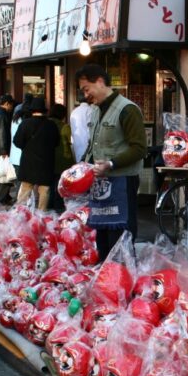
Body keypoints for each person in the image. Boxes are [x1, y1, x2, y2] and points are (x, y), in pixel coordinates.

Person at [75, 64, 147, 259]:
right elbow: (92, 145)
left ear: (100, 82)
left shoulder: (127, 109)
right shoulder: (95, 111)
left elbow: (140, 148)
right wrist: (79, 169)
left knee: (120, 238)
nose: (86, 95)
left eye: (87, 89)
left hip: (122, 182)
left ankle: (123, 275)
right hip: (100, 184)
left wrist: (111, 164)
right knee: (103, 238)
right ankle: (105, 275)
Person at [14, 97, 57, 212]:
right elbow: (56, 143)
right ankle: (41, 214)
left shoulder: (25, 123)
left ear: (32, 110)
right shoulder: (51, 125)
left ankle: (20, 213)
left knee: (25, 189)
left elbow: (17, 141)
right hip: (46, 162)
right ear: (44, 110)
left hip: (28, 162)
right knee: (44, 190)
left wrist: (27, 147)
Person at [48, 103, 74, 212]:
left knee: (49, 183)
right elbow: (71, 142)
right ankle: (58, 206)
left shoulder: (45, 124)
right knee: (60, 183)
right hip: (63, 158)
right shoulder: (65, 127)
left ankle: (49, 204)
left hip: (48, 158)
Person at [69, 96, 92, 162]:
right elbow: (91, 128)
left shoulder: (74, 111)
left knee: (79, 163)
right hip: (87, 143)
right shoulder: (90, 110)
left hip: (76, 141)